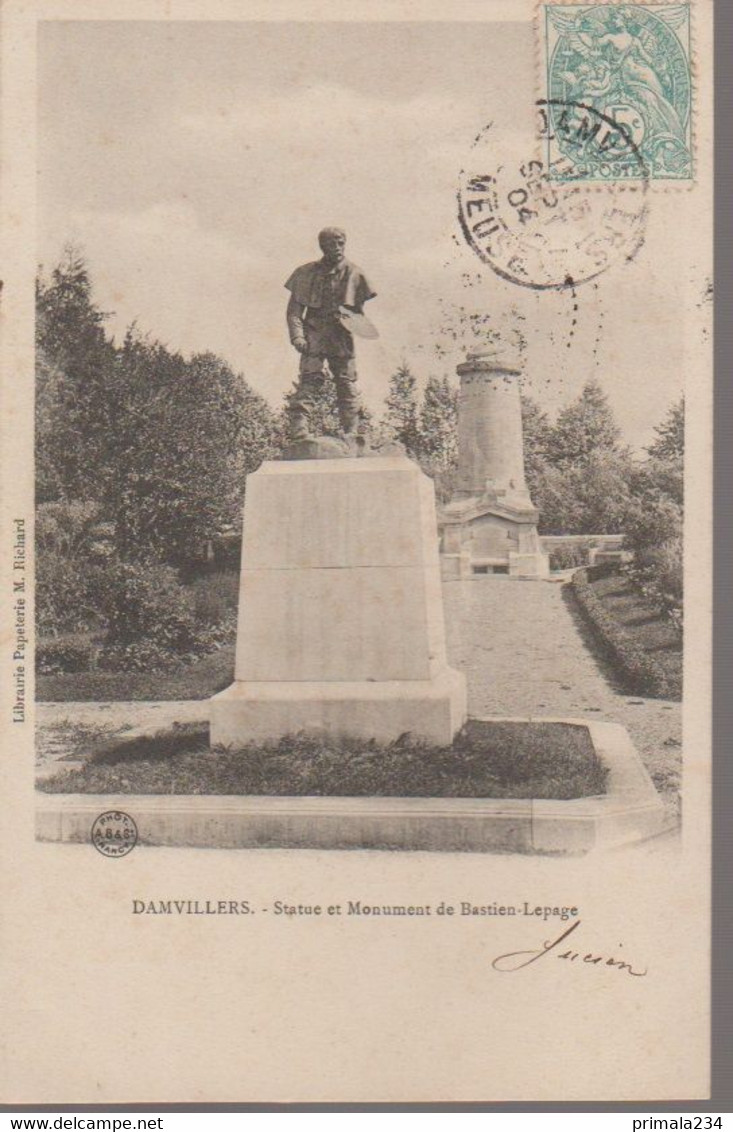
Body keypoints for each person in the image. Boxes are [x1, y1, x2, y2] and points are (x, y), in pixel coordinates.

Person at [284, 228, 376, 440]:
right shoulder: (305, 273)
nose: (337, 248)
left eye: (340, 243)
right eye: (331, 244)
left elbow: (358, 312)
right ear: (322, 246)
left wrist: (354, 323)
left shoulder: (355, 273)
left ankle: (351, 431)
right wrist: (297, 336)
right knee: (309, 380)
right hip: (314, 334)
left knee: (346, 382)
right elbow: (294, 312)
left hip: (341, 335)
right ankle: (299, 432)